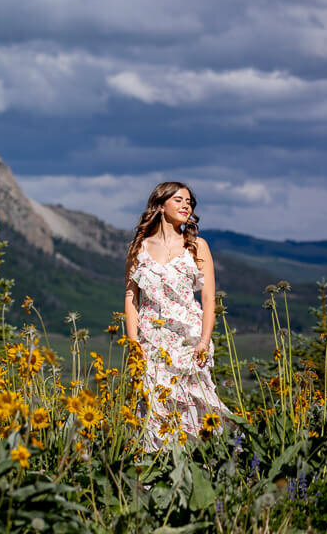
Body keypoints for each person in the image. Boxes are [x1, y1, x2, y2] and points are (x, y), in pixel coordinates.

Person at [124, 181, 232, 451]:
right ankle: (153, 474)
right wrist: (133, 343)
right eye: (179, 200)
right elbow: (131, 298)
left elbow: (208, 299)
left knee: (195, 404)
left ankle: (201, 468)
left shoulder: (197, 245)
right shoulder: (138, 248)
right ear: (160, 206)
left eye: (189, 202)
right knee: (152, 407)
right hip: (150, 341)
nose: (186, 206)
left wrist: (204, 341)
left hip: (188, 341)